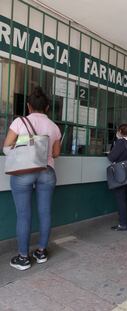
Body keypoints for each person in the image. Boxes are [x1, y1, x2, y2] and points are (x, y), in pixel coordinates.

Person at [3, 86, 61, 271]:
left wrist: (26, 145)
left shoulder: (19, 122)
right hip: (47, 171)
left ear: (28, 106)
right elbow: (56, 153)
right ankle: (42, 252)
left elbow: (6, 147)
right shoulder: (54, 127)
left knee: (23, 215)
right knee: (45, 212)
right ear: (46, 108)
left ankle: (23, 258)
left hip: (23, 173)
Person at [107, 124, 127, 231]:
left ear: (120, 131)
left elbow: (111, 157)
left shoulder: (121, 142)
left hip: (120, 174)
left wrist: (111, 151)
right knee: (125, 198)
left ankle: (123, 224)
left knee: (121, 199)